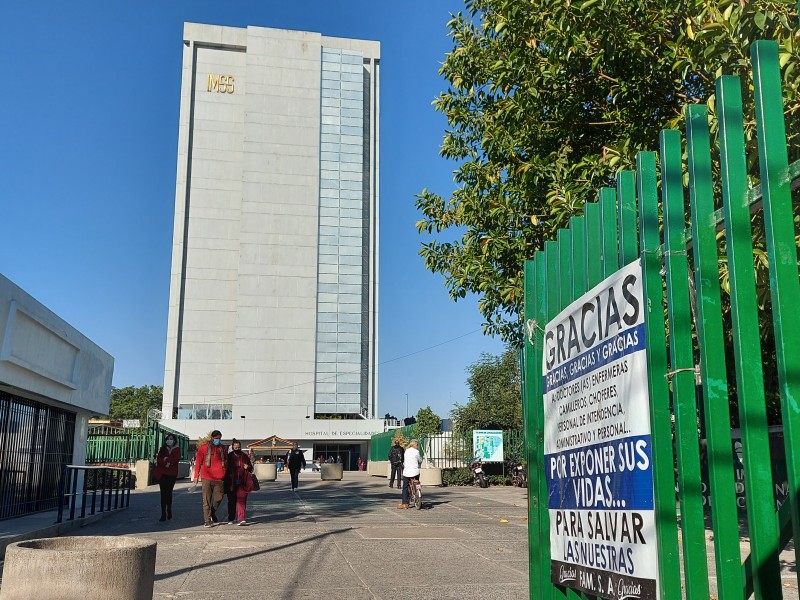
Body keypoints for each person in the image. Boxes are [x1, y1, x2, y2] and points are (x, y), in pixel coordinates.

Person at [192, 430, 227, 527]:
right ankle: (207, 520)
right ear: (211, 438)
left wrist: (224, 473)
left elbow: (226, 462)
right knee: (206, 500)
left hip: (219, 478)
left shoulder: (223, 448)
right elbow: (198, 462)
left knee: (219, 498)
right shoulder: (203, 448)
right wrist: (196, 476)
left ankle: (211, 512)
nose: (217, 440)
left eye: (219, 438)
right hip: (206, 477)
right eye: (216, 438)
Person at [224, 439, 254, 525]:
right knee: (232, 501)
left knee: (242, 500)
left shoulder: (244, 456)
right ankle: (231, 518)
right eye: (235, 447)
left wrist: (247, 467)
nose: (237, 448)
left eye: (239, 447)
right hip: (231, 482)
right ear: (232, 447)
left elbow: (251, 468)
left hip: (242, 482)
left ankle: (241, 518)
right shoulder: (229, 456)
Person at [156, 434, 181, 522]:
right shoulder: (162, 449)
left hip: (172, 474)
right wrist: (166, 462)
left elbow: (176, 459)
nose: (169, 440)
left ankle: (169, 510)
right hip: (163, 473)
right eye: (168, 439)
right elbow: (159, 460)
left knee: (169, 492)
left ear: (174, 440)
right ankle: (163, 513)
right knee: (163, 493)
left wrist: (167, 460)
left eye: (171, 439)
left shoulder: (177, 449)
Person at [399, 439, 422, 509]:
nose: (417, 446)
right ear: (413, 445)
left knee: (405, 487)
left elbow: (405, 461)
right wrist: (420, 462)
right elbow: (420, 460)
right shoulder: (416, 452)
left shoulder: (406, 451)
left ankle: (405, 503)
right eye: (417, 445)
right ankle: (418, 494)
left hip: (407, 472)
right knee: (417, 483)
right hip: (415, 472)